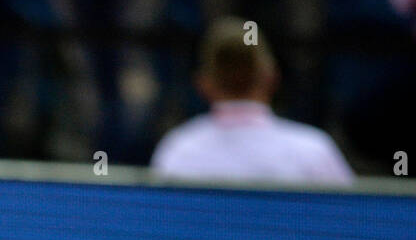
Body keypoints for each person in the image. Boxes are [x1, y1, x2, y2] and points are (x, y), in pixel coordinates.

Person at [150, 17, 354, 184]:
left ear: (204, 84)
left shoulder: (178, 151)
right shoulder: (314, 151)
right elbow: (353, 223)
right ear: (272, 77)